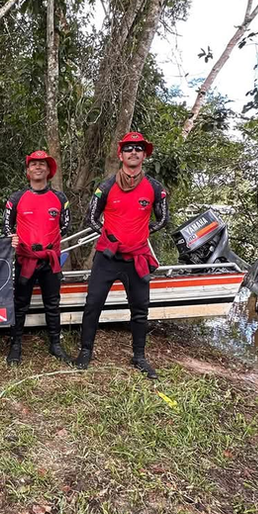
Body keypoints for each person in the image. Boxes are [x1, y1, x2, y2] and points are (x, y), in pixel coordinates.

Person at [74, 131, 169, 378]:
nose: (133, 152)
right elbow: (91, 218)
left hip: (137, 258)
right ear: (120, 154)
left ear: (144, 155)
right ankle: (85, 351)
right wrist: (109, 234)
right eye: (128, 148)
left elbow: (163, 219)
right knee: (93, 304)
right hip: (107, 256)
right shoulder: (105, 186)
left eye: (138, 148)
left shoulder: (155, 188)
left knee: (140, 309)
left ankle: (139, 356)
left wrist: (144, 231)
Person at [3, 150, 72, 365]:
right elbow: (6, 225)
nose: (38, 167)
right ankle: (15, 346)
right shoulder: (16, 198)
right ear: (28, 171)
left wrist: (47, 242)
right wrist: (13, 238)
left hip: (50, 259)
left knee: (52, 303)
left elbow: (66, 225)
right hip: (25, 259)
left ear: (49, 170)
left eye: (42, 164)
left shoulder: (60, 198)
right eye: (34, 164)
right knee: (20, 302)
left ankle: (55, 344)